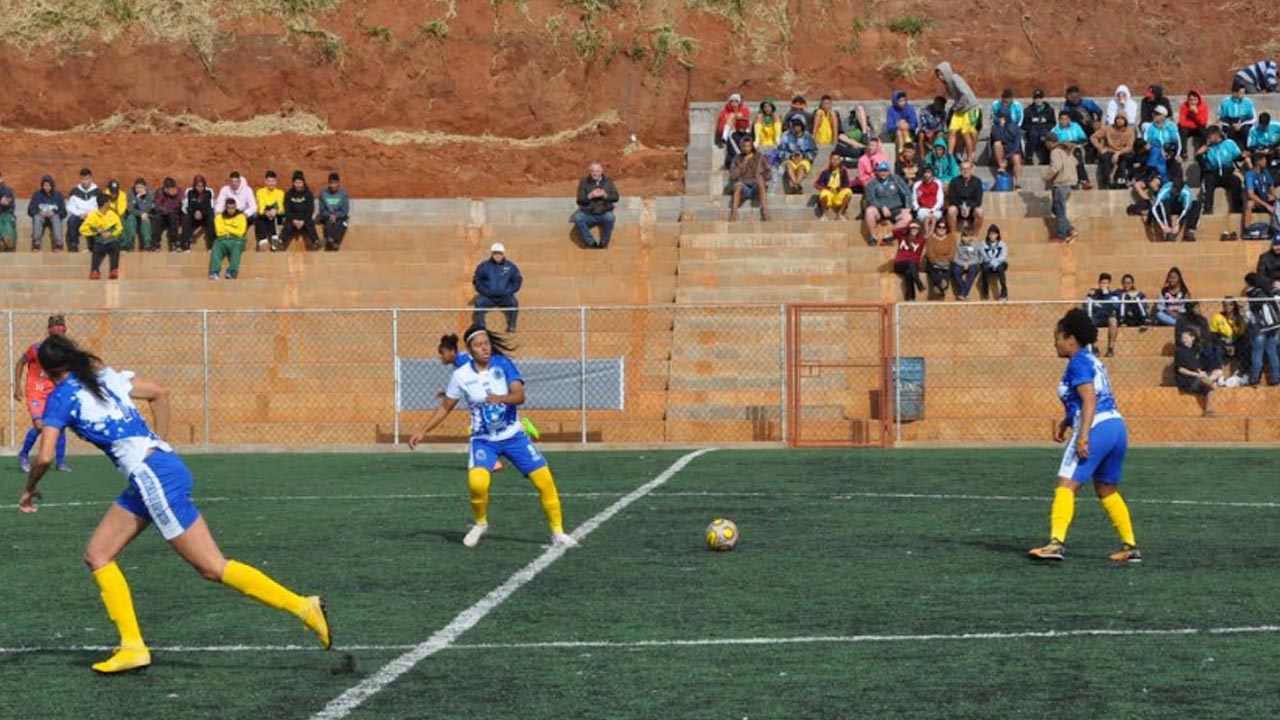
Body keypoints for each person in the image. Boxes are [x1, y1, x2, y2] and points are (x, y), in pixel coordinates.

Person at [17, 334, 331, 673]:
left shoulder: (61, 398)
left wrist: (29, 487)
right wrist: (160, 441)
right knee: (98, 554)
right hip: (158, 469)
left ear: (47, 372)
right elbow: (160, 393)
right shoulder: (104, 376)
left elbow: (46, 455)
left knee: (212, 566)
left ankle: (303, 606)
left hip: (153, 478)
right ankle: (133, 647)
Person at [407, 325, 575, 549]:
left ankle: (558, 532)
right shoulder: (460, 375)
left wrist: (502, 398)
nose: (484, 348)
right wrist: (422, 430)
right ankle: (480, 524)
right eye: (478, 345)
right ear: (470, 350)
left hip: (514, 436)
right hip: (483, 440)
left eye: (486, 343)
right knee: (477, 484)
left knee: (545, 481)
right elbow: (445, 407)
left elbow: (520, 395)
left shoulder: (503, 364)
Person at [1028, 308, 1140, 563]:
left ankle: (1056, 543)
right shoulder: (1091, 359)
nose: (1054, 343)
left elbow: (1089, 399)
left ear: (1071, 339)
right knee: (1106, 489)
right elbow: (1090, 396)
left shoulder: (1077, 361)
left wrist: (1083, 437)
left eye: (1057, 337)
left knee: (1066, 484)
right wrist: (1067, 421)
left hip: (1097, 426)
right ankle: (1131, 546)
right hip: (1116, 427)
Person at [14, 315, 71, 473]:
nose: (59, 331)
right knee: (40, 426)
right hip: (35, 392)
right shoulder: (36, 348)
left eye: (61, 328)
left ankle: (60, 461)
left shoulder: (65, 351)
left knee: (60, 425)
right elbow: (20, 363)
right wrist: (17, 386)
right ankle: (23, 455)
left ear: (65, 330)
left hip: (53, 392)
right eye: (55, 328)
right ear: (49, 331)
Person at [935, 61, 980, 161]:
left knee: (966, 133)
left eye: (941, 74)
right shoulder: (947, 85)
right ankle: (949, 156)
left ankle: (969, 158)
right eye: (938, 76)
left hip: (970, 108)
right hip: (960, 109)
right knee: (952, 131)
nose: (940, 77)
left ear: (946, 72)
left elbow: (965, 94)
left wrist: (956, 106)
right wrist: (956, 108)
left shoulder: (955, 78)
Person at [472, 242, 522, 332]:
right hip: (488, 297)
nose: (497, 255)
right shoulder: (484, 266)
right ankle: (481, 326)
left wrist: (509, 291)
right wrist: (485, 291)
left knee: (514, 303)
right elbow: (477, 279)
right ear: (492, 254)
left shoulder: (510, 267)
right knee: (479, 303)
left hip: (505, 297)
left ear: (503, 254)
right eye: (495, 253)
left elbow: (517, 280)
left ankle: (512, 325)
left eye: (500, 253)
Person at [1197, 125, 1244, 215]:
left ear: (1216, 135)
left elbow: (1237, 157)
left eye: (1210, 137)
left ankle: (1237, 208)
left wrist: (1242, 156)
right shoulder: (1207, 147)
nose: (1208, 139)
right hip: (1213, 173)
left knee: (1236, 182)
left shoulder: (1229, 143)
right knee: (1208, 181)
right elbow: (1203, 166)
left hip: (1227, 172)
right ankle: (1207, 208)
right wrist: (1199, 155)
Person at [862, 161, 912, 244]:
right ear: (877, 172)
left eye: (885, 171)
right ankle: (873, 236)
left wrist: (908, 207)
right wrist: (882, 207)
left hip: (896, 209)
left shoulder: (896, 179)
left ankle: (889, 236)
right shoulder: (872, 183)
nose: (883, 173)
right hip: (880, 210)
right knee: (869, 211)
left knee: (908, 217)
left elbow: (907, 193)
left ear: (889, 171)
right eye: (881, 171)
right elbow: (870, 199)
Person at [1244, 272, 1280, 386]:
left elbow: (1250, 313)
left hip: (1259, 328)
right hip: (1273, 326)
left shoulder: (1252, 293)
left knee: (1257, 354)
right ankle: (1276, 379)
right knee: (1272, 353)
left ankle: (1254, 379)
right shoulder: (1269, 290)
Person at [1173, 328, 1220, 415]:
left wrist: (1202, 373)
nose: (1183, 340)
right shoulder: (1180, 351)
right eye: (1183, 338)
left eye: (1186, 338)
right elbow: (1180, 369)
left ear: (1192, 338)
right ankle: (1212, 382)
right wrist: (1196, 375)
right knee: (1209, 384)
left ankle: (1208, 410)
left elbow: (1197, 367)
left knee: (1216, 372)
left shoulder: (1194, 351)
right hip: (1187, 380)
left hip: (1199, 378)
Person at [573, 161, 619, 248]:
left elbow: (616, 197)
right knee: (578, 218)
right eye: (593, 171)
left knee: (610, 217)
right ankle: (591, 243)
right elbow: (579, 200)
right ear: (589, 171)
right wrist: (590, 195)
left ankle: (603, 243)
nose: (595, 173)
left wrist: (605, 195)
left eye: (597, 171)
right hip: (589, 214)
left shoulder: (608, 181)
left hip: (604, 212)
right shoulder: (584, 182)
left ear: (601, 171)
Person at [1044, 137, 1079, 243]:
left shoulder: (1055, 152)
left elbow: (1055, 167)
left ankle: (1061, 235)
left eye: (1046, 143)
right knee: (1056, 209)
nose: (1046, 145)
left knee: (1059, 209)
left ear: (1050, 142)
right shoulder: (1067, 151)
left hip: (1061, 183)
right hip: (1069, 183)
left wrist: (1045, 175)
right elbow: (1076, 162)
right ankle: (1070, 229)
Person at [82, 193, 124, 280]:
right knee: (97, 247)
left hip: (111, 240)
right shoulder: (92, 215)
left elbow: (119, 227)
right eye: (109, 202)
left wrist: (111, 233)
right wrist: (96, 230)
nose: (110, 204)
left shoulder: (112, 214)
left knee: (115, 245)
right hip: (99, 240)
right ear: (105, 203)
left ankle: (113, 270)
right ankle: (95, 270)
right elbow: (83, 228)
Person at [728, 137, 769, 221]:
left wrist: (762, 177)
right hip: (744, 187)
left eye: (748, 146)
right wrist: (742, 165)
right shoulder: (737, 159)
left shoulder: (759, 157)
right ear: (741, 147)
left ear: (752, 147)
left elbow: (768, 171)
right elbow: (733, 175)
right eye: (744, 146)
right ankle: (734, 214)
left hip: (756, 187)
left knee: (761, 182)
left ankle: (765, 212)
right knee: (738, 185)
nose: (746, 148)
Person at [1091, 114, 1136, 189]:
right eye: (1117, 118)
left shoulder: (1130, 131)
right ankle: (1106, 181)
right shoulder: (1108, 128)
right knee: (1104, 158)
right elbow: (1093, 137)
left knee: (1126, 159)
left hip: (1122, 152)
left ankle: (1120, 182)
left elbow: (1129, 147)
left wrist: (1118, 153)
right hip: (1109, 150)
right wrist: (1100, 148)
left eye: (1122, 119)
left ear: (1125, 121)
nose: (1119, 120)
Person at [1210, 299, 1249, 384]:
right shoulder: (1217, 317)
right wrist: (1225, 345)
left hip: (1236, 343)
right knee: (1216, 348)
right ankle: (1219, 374)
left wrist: (1234, 346)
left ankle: (1244, 374)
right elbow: (1213, 335)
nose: (1227, 307)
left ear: (1234, 306)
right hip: (1223, 343)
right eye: (1225, 305)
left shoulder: (1239, 318)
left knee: (1246, 346)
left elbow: (1242, 335)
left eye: (1230, 304)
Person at [209, 197, 248, 280]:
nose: (231, 210)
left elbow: (240, 232)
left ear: (236, 207)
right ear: (225, 208)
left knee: (237, 248)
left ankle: (232, 272)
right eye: (229, 208)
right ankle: (214, 272)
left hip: (236, 240)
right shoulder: (219, 217)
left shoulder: (241, 217)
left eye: (233, 208)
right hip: (222, 239)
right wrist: (233, 228)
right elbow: (219, 232)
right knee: (216, 247)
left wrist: (225, 227)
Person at [281, 170, 321, 250]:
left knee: (310, 223)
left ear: (303, 183)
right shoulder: (289, 194)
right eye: (296, 183)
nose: (298, 185)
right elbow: (287, 210)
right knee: (287, 225)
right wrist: (294, 220)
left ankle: (316, 241)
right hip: (293, 219)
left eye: (300, 183)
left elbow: (310, 210)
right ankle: (280, 241)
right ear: (293, 183)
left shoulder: (308, 194)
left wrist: (303, 220)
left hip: (304, 218)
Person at [1051, 111, 1091, 188]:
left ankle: (1084, 181)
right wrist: (1064, 144)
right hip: (1061, 149)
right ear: (1058, 120)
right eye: (1062, 119)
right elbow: (1051, 143)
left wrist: (1075, 144)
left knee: (1077, 157)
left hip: (1075, 147)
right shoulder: (1055, 129)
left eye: (1066, 119)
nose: (1064, 121)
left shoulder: (1076, 126)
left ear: (1069, 119)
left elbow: (1083, 138)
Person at [27, 174, 66, 251]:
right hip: (41, 217)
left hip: (53, 216)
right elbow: (30, 210)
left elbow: (63, 211)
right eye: (45, 185)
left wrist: (54, 212)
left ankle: (59, 244)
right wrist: (39, 212)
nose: (47, 187)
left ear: (52, 185)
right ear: (42, 185)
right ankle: (36, 244)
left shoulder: (58, 195)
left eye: (48, 185)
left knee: (56, 218)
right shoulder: (37, 195)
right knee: (37, 217)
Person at [1085, 273, 1120, 356]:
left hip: (1107, 317)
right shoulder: (1093, 294)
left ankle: (1110, 349)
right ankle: (1095, 348)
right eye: (1102, 283)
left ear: (1109, 284)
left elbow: (1114, 307)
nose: (1103, 285)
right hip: (1096, 317)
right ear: (1099, 283)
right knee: (1089, 321)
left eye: (1106, 283)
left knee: (1113, 321)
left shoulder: (1113, 295)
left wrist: (1106, 295)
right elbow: (1087, 306)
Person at [891, 221, 927, 301]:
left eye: (916, 228)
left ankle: (911, 297)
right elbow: (894, 231)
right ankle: (919, 283)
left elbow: (928, 236)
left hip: (914, 265)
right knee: (909, 262)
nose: (914, 230)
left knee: (908, 272)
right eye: (912, 228)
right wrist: (907, 227)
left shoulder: (921, 239)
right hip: (899, 263)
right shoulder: (902, 236)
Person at [65, 168, 98, 253]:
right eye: (82, 179)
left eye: (86, 179)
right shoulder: (75, 191)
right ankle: (74, 244)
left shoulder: (97, 191)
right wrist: (80, 214)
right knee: (71, 220)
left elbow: (99, 207)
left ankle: (93, 245)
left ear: (91, 179)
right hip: (79, 216)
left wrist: (89, 214)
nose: (84, 181)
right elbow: (71, 206)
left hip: (91, 216)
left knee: (95, 220)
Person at [945, 161, 984, 233]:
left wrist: (969, 206)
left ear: (971, 169)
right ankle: (953, 235)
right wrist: (962, 206)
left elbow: (978, 200)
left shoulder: (977, 182)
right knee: (951, 210)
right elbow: (952, 199)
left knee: (980, 211)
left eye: (967, 169)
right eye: (963, 169)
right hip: (958, 208)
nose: (965, 171)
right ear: (960, 170)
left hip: (972, 208)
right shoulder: (954, 181)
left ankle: (975, 235)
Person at [1243, 154, 1277, 235]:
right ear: (1257, 162)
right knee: (1249, 204)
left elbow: (1271, 185)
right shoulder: (1249, 175)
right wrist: (1266, 205)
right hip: (1258, 201)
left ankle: (1276, 230)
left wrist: (1273, 195)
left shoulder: (1265, 172)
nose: (1265, 161)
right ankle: (1247, 230)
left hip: (1266, 198)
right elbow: (1250, 194)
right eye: (1263, 160)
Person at [989, 111, 1024, 189]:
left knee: (1016, 158)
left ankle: (1018, 182)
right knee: (997, 144)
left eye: (1003, 117)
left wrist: (1010, 155)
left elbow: (1017, 144)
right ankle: (1002, 166)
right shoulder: (995, 127)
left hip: (1012, 151)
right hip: (1000, 152)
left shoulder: (1015, 128)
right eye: (1000, 117)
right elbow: (997, 138)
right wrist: (1001, 127)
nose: (1001, 119)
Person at [316, 172, 351, 251]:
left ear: (338, 184)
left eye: (335, 183)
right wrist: (330, 215)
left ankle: (335, 242)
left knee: (341, 224)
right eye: (331, 183)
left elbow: (345, 210)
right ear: (328, 183)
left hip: (339, 216)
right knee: (328, 222)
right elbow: (322, 209)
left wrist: (336, 216)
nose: (333, 185)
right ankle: (330, 239)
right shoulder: (323, 194)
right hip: (327, 216)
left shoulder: (343, 194)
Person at [181, 175, 216, 252]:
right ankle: (185, 245)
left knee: (211, 217)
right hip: (194, 215)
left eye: (202, 186)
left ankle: (211, 245)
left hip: (205, 215)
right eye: (198, 186)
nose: (200, 188)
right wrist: (195, 212)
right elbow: (190, 206)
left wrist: (201, 212)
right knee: (186, 218)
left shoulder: (208, 193)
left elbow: (208, 206)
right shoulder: (190, 193)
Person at [814, 153, 853, 220]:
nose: (835, 161)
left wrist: (840, 188)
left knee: (848, 192)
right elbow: (816, 184)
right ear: (830, 160)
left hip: (838, 193)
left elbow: (847, 184)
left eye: (837, 159)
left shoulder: (843, 171)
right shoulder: (825, 171)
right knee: (823, 193)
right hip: (829, 193)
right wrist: (827, 188)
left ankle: (840, 213)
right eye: (833, 159)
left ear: (840, 160)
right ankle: (825, 214)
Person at [1022, 89, 1056, 165]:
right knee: (1033, 134)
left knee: (1045, 135)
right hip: (1033, 130)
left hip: (1044, 129)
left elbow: (1053, 123)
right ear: (1033, 99)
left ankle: (1047, 158)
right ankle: (1029, 157)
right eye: (1036, 98)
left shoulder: (1049, 110)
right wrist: (1032, 126)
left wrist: (1044, 126)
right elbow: (1024, 125)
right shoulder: (1028, 110)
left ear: (1043, 99)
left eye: (1040, 98)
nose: (1038, 100)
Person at [1219, 82, 1256, 149]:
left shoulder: (1248, 102)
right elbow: (1221, 117)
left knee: (1246, 130)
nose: (1243, 95)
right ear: (1234, 93)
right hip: (1230, 124)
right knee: (1229, 132)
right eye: (1241, 93)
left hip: (1244, 124)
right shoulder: (1225, 102)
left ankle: (1246, 149)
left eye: (1244, 93)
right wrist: (1232, 124)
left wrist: (1241, 124)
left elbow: (1252, 117)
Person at [923, 218, 954, 298]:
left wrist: (946, 260)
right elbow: (929, 252)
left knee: (948, 269)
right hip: (934, 261)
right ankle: (941, 285)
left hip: (946, 261)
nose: (941, 229)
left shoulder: (951, 238)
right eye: (939, 227)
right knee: (934, 268)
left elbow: (952, 251)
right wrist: (935, 261)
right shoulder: (931, 239)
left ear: (946, 229)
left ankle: (939, 286)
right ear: (936, 228)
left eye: (944, 227)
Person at [254, 170, 284, 251]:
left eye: (273, 181)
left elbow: (280, 206)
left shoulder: (280, 193)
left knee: (274, 217)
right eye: (269, 181)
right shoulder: (260, 192)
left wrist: (275, 211)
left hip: (276, 216)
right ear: (265, 181)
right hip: (264, 214)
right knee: (260, 217)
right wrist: (266, 212)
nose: (271, 183)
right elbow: (261, 205)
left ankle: (275, 238)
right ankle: (262, 240)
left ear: (276, 182)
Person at [912, 164, 944, 236]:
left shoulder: (938, 183)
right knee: (926, 218)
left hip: (935, 208)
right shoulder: (917, 184)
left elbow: (940, 200)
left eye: (928, 172)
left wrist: (933, 209)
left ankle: (929, 235)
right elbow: (914, 199)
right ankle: (926, 234)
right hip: (922, 208)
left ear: (932, 174)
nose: (926, 174)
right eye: (925, 172)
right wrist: (917, 208)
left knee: (933, 219)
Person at [978, 224, 1009, 300]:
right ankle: (985, 293)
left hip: (998, 263)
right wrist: (991, 263)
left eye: (994, 234)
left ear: (997, 235)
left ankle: (1004, 292)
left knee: (1001, 269)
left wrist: (995, 263)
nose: (992, 236)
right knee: (985, 269)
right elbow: (983, 255)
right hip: (987, 263)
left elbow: (1003, 255)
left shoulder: (1002, 244)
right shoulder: (983, 244)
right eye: (990, 234)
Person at [153, 178, 184, 252]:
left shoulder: (179, 192)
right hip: (162, 216)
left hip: (174, 215)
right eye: (171, 189)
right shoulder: (159, 192)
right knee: (157, 218)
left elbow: (178, 206)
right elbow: (158, 207)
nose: (173, 190)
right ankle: (156, 243)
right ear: (165, 189)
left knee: (173, 217)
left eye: (174, 188)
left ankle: (175, 243)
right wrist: (168, 210)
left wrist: (174, 197)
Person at [951, 224, 981, 300]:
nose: (965, 238)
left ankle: (963, 293)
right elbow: (955, 257)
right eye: (963, 236)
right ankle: (965, 292)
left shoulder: (975, 244)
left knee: (974, 270)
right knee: (955, 270)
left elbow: (978, 257)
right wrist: (963, 263)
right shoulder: (958, 244)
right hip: (960, 262)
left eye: (967, 236)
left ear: (971, 237)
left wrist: (968, 263)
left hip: (972, 263)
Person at [125, 178, 156, 252]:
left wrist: (138, 200)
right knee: (130, 219)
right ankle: (130, 245)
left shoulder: (150, 195)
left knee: (145, 220)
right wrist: (141, 213)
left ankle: (147, 246)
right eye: (137, 187)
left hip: (145, 216)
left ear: (145, 187)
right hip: (134, 216)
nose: (138, 189)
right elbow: (130, 209)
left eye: (141, 187)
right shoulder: (131, 194)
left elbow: (147, 209)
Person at [1177, 90, 1209, 160]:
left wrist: (1196, 114)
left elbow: (1203, 122)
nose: (1192, 102)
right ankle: (1184, 152)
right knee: (1182, 130)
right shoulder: (1184, 106)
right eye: (1190, 100)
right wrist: (1194, 124)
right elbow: (1182, 122)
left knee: (1204, 130)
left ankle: (1202, 150)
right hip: (1188, 129)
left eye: (1195, 100)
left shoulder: (1203, 106)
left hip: (1198, 128)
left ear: (1198, 100)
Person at [0, 170, 16, 252]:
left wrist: (5, 203)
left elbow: (10, 205)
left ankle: (8, 245)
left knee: (8, 223)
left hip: (6, 214)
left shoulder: (7, 190)